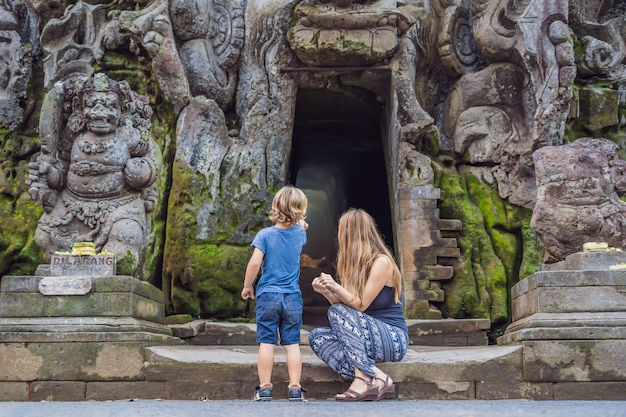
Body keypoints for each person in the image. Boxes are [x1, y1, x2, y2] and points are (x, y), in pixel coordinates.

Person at [309, 208, 408, 401]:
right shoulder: (352, 266)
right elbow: (346, 310)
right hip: (364, 338)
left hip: (392, 338)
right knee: (317, 337)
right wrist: (327, 292)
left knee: (336, 311)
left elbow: (360, 305)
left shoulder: (382, 262)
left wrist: (335, 286)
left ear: (349, 233)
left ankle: (362, 378)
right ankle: (376, 376)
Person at [241, 185, 309, 402]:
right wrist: (299, 220)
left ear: (275, 207)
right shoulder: (300, 234)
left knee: (267, 342)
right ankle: (295, 388)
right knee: (292, 344)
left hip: (268, 294)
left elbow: (254, 263)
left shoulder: (265, 235)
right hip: (292, 297)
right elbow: (302, 225)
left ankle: (265, 388)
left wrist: (247, 286)